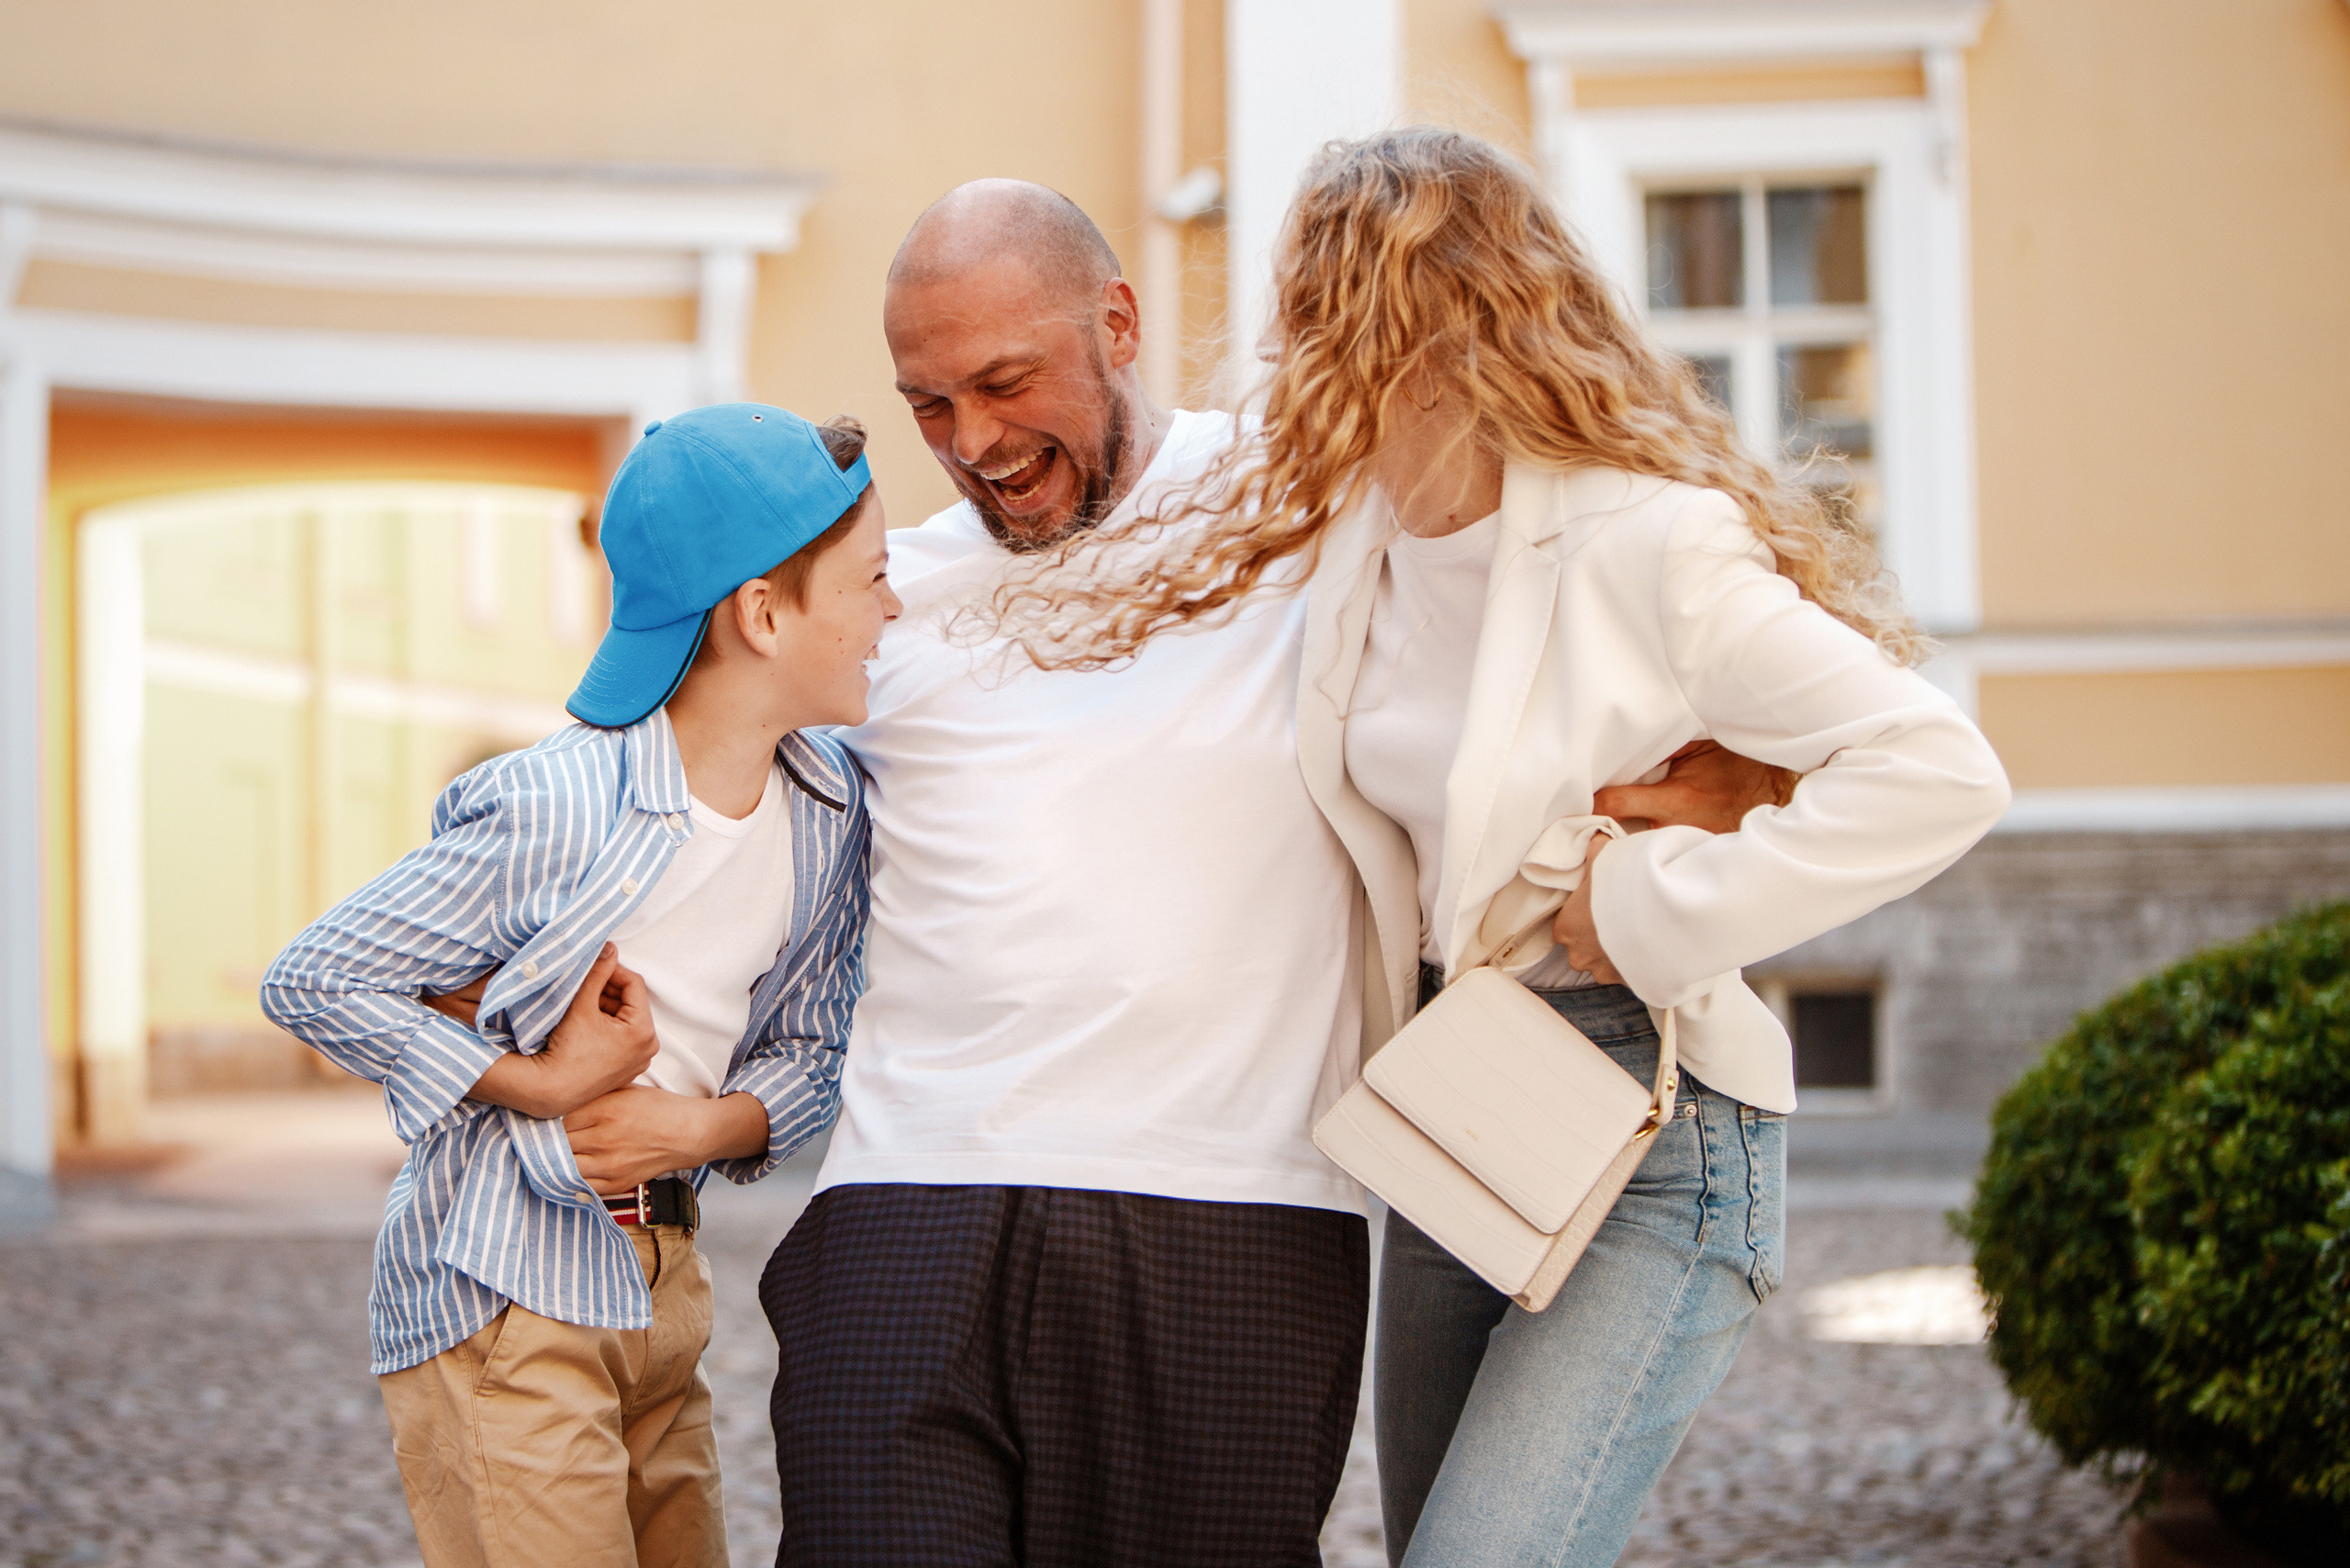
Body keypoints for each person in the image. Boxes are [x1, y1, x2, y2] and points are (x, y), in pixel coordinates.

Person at [999, 129, 2012, 1567]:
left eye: (1327, 309)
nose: (1292, 349)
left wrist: (1660, 899)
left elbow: (1938, 767)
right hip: (1464, 1102)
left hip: (1659, 1130)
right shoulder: (1356, 538)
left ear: (1442, 324)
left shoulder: (1645, 545)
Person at [757, 180, 1775, 1568]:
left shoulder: (1317, 508)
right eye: (929, 405)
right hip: (901, 1206)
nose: (973, 443)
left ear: (1117, 323)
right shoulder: (889, 594)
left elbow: (1624, 575)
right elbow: (696, 756)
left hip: (1229, 1219)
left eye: (1006, 382)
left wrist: (1742, 769)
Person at [260, 405, 896, 1568]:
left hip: (666, 1288)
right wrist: (537, 1082)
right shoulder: (562, 803)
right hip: (509, 1294)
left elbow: (816, 1045)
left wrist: (703, 1124)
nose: (892, 610)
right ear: (762, 613)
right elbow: (315, 977)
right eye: (871, 580)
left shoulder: (828, 810)